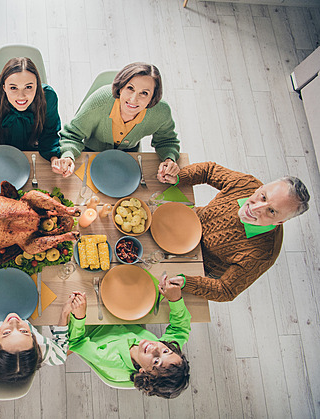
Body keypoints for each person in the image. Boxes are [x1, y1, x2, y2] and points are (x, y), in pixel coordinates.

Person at [160, 162, 310, 302]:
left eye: (271, 211)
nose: (255, 208)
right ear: (260, 188)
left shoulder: (263, 255)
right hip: (186, 223)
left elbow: (226, 290)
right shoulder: (247, 184)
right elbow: (209, 171)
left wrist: (187, 282)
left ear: (279, 222)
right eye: (263, 197)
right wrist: (180, 177)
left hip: (200, 263)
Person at [53, 62, 180, 180]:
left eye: (144, 93)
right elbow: (72, 135)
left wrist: (169, 159)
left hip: (128, 160)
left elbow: (167, 141)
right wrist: (68, 156)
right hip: (90, 155)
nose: (133, 99)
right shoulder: (100, 102)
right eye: (130, 88)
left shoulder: (161, 111)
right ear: (120, 88)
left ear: (153, 97)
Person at [68, 280, 191, 399]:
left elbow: (76, 342)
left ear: (143, 372)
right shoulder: (167, 347)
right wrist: (175, 300)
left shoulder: (109, 359)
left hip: (88, 321)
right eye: (166, 351)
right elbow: (180, 329)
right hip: (120, 312)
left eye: (156, 361)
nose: (155, 348)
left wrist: (79, 317)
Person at [0, 57, 62, 167]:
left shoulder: (48, 97)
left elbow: (50, 132)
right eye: (13, 88)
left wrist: (54, 158)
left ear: (37, 86)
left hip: (33, 148)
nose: (21, 96)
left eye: (28, 87)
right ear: (4, 87)